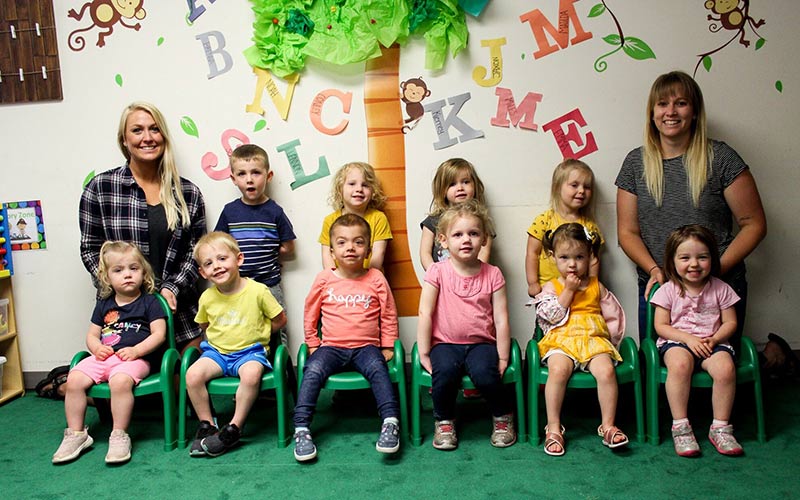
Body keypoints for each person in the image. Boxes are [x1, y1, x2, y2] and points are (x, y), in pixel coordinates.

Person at [615, 71, 766, 340]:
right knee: (663, 373)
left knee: (719, 368)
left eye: (681, 103)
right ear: (652, 113)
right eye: (662, 104)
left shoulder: (721, 158)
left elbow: (754, 224)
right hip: (661, 290)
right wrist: (655, 270)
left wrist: (713, 269)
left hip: (718, 288)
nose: (670, 111)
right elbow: (627, 233)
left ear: (695, 111)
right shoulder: (635, 164)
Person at [80, 101, 207, 352]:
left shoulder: (188, 193)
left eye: (155, 129)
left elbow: (197, 254)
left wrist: (172, 287)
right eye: (137, 130)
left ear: (164, 137)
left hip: (178, 314)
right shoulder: (101, 188)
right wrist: (123, 288)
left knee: (184, 384)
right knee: (124, 386)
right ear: (124, 140)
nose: (147, 138)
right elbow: (90, 250)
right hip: (123, 320)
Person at [293, 214, 401, 462]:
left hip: (367, 348)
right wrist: (312, 342)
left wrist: (387, 345)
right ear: (332, 251)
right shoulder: (324, 279)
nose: (350, 247)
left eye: (358, 242)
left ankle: (390, 422)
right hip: (331, 347)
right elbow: (311, 313)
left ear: (368, 250)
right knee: (313, 370)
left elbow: (388, 312)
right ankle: (301, 428)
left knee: (378, 369)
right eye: (342, 243)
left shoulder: (376, 278)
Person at [52, 241, 167, 464]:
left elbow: (159, 334)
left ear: (143, 272)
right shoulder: (104, 304)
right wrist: (96, 348)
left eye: (133, 269)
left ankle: (119, 434)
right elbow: (92, 335)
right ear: (107, 277)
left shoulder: (150, 302)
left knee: (120, 382)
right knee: (74, 378)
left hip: (135, 360)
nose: (127, 275)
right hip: (104, 357)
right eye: (118, 270)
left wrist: (136, 350)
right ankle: (76, 434)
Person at [416, 200, 516, 451]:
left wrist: (503, 357)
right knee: (444, 375)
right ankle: (444, 419)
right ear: (443, 240)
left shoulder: (493, 274)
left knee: (486, 374)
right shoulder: (437, 272)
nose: (466, 240)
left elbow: (502, 318)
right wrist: (424, 351)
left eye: (473, 233)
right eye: (458, 234)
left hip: (481, 344)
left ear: (483, 239)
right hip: (445, 344)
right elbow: (425, 312)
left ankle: (502, 417)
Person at [185, 232, 287, 457]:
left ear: (238, 259)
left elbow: (280, 319)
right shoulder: (207, 297)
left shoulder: (258, 291)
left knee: (251, 376)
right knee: (192, 375)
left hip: (250, 352)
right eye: (209, 263)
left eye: (223, 259)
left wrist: (260, 332)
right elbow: (203, 324)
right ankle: (207, 424)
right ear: (202, 272)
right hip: (218, 353)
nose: (217, 266)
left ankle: (234, 427)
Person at [535, 223, 628, 456]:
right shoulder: (552, 286)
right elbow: (548, 317)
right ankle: (554, 426)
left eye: (579, 257)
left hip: (593, 340)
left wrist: (611, 343)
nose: (572, 264)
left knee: (606, 371)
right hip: (562, 340)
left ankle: (608, 425)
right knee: (558, 370)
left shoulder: (597, 286)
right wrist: (567, 291)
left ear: (590, 257)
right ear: (553, 257)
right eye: (564, 257)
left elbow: (613, 316)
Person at [650, 224, 743, 457]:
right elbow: (660, 326)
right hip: (678, 342)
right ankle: (681, 427)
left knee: (725, 368)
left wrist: (715, 339)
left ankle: (720, 427)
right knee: (680, 365)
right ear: (672, 262)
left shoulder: (721, 289)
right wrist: (688, 339)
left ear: (712, 258)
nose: (694, 264)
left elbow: (731, 323)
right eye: (685, 258)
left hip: (713, 342)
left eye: (702, 257)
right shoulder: (668, 290)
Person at [213, 144, 296, 350]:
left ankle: (282, 371)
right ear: (233, 179)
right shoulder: (230, 212)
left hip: (269, 283)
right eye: (241, 174)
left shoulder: (274, 211)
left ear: (268, 176)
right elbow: (217, 245)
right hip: (237, 286)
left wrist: (271, 255)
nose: (249, 179)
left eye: (256, 173)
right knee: (241, 326)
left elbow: (288, 247)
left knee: (278, 325)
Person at [526, 159, 603, 298]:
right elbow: (532, 253)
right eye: (574, 185)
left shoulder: (589, 226)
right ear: (557, 187)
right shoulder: (544, 221)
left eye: (587, 187)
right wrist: (532, 283)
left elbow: (594, 259)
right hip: (547, 291)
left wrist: (593, 285)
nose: (581, 191)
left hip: (579, 290)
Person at [419, 158, 493, 271]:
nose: (460, 188)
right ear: (443, 190)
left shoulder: (480, 220)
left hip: (472, 280)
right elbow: (425, 253)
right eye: (452, 184)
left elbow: (484, 252)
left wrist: (473, 275)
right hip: (441, 283)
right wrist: (436, 276)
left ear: (475, 185)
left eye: (466, 182)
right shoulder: (433, 220)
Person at [319, 162, 391, 271]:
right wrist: (335, 280)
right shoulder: (330, 220)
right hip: (339, 283)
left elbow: (378, 254)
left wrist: (365, 280)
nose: (359, 189)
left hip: (370, 281)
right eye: (352, 184)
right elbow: (327, 255)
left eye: (365, 185)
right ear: (340, 189)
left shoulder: (378, 218)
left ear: (373, 191)